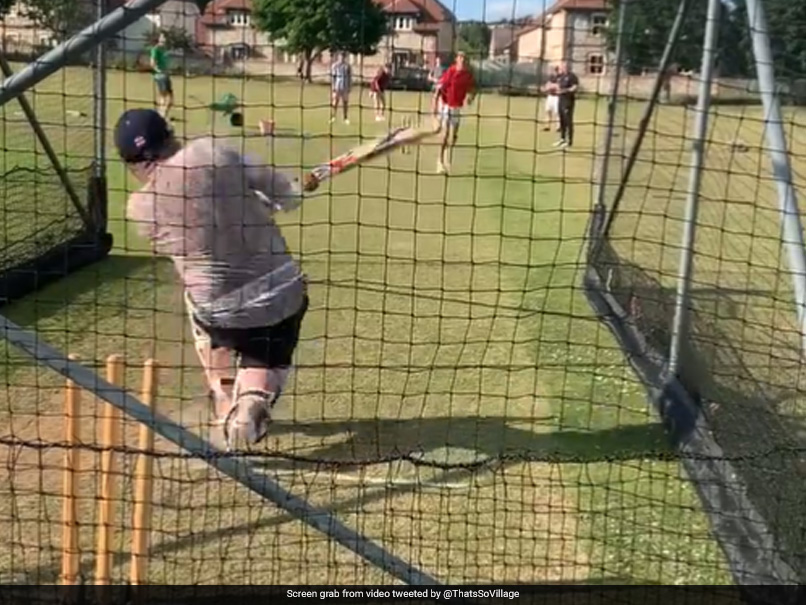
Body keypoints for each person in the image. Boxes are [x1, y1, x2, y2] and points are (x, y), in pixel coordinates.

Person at [114, 108, 315, 449]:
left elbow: (197, 235)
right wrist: (267, 199)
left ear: (132, 163)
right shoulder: (212, 151)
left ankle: (224, 403)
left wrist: (245, 205)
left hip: (219, 311)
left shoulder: (140, 209)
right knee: (268, 351)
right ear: (171, 136)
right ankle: (252, 399)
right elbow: (288, 196)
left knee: (199, 306)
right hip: (281, 290)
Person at [432, 51, 476, 175]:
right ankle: (439, 162)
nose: (462, 59)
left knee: (454, 137)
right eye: (460, 57)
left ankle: (447, 155)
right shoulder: (451, 71)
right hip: (446, 105)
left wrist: (471, 97)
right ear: (456, 59)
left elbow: (473, 88)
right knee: (445, 134)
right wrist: (435, 107)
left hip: (457, 108)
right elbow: (440, 88)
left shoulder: (467, 75)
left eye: (464, 57)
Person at [555, 63, 579, 149]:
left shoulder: (572, 76)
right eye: (561, 67)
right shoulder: (560, 76)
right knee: (562, 120)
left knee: (568, 120)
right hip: (560, 100)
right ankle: (562, 139)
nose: (562, 68)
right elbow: (558, 86)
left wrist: (564, 91)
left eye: (563, 67)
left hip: (568, 101)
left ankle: (570, 142)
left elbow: (574, 87)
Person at [150, 33, 173, 120]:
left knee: (169, 98)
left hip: (166, 75)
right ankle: (161, 116)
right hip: (161, 76)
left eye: (165, 37)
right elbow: (152, 63)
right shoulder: (155, 49)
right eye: (163, 37)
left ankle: (161, 114)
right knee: (165, 96)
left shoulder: (164, 49)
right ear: (159, 39)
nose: (164, 39)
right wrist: (158, 71)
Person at [330, 52, 352, 125]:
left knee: (345, 102)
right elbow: (333, 77)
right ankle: (333, 117)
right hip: (337, 85)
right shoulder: (335, 65)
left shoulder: (347, 66)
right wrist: (333, 86)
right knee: (335, 102)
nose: (342, 58)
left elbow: (350, 77)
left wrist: (349, 86)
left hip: (345, 85)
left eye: (343, 56)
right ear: (338, 57)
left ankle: (345, 118)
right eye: (341, 56)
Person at [542, 65, 561, 132]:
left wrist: (552, 86)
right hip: (550, 96)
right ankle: (547, 126)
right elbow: (548, 85)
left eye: (556, 70)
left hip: (557, 97)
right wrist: (548, 87)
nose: (555, 71)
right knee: (548, 111)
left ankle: (558, 127)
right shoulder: (551, 77)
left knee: (557, 112)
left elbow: (558, 86)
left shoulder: (561, 77)